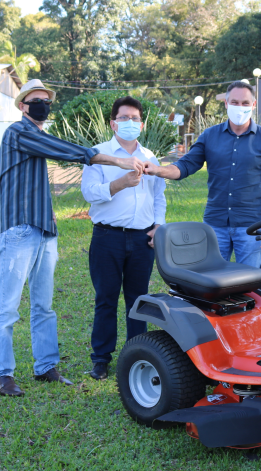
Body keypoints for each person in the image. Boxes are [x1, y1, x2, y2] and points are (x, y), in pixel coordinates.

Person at [0, 79, 145, 397]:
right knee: (8, 308)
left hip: (44, 230)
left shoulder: (37, 135)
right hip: (19, 229)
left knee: (44, 306)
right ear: (22, 105)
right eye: (36, 100)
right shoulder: (18, 132)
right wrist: (116, 160)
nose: (42, 106)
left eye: (46, 101)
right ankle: (3, 373)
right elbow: (68, 151)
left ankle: (45, 366)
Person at [144, 81, 261, 267]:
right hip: (215, 225)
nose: (239, 107)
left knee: (250, 283)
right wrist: (158, 170)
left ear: (253, 105)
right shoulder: (210, 136)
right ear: (226, 104)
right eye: (234, 102)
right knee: (212, 282)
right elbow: (185, 165)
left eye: (244, 103)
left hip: (252, 226)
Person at [80, 96, 166, 380]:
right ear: (113, 123)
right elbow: (90, 193)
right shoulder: (98, 154)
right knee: (105, 298)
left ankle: (136, 356)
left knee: (138, 301)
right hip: (107, 237)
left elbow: (158, 197)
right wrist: (120, 183)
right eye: (124, 118)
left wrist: (158, 226)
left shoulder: (151, 157)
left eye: (134, 119)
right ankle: (101, 359)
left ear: (141, 124)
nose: (129, 123)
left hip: (143, 240)